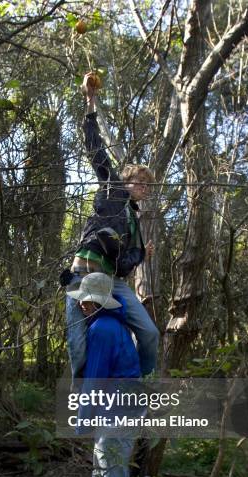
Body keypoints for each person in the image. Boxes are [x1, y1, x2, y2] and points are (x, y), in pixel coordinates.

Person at [65, 72, 159, 380]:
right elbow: (95, 150)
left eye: (148, 186)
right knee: (78, 347)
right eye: (140, 182)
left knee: (149, 333)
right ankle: (83, 400)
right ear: (126, 179)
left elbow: (123, 266)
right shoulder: (112, 187)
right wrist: (90, 102)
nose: (144, 188)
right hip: (84, 274)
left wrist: (141, 254)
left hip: (113, 282)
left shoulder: (135, 222)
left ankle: (137, 381)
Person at [67, 272, 142, 477]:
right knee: (118, 473)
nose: (83, 305)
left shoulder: (101, 330)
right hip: (130, 409)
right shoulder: (115, 325)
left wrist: (81, 420)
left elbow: (95, 380)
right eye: (83, 300)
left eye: (87, 300)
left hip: (117, 413)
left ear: (98, 303)